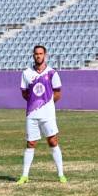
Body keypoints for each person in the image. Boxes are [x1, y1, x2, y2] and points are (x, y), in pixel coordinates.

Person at [17, 45, 67, 184]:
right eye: (36, 54)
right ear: (33, 55)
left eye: (41, 53)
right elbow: (24, 93)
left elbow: (57, 93)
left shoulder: (52, 73)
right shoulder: (26, 73)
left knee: (53, 141)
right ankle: (25, 176)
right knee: (30, 143)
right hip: (32, 114)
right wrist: (35, 103)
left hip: (48, 114)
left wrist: (47, 104)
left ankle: (61, 174)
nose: (38, 56)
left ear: (45, 55)